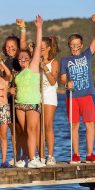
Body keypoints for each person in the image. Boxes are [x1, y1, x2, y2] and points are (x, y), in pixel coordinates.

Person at [60, 14, 95, 164]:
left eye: (77, 44)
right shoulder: (65, 61)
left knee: (90, 124)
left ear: (81, 45)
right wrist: (66, 85)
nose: (75, 47)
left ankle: (90, 154)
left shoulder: (87, 55)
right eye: (72, 45)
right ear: (69, 46)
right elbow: (63, 79)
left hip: (86, 96)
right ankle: (76, 154)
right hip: (72, 97)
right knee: (74, 125)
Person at [10, 15, 46, 168]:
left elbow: (37, 47)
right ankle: (27, 157)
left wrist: (39, 28)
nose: (22, 60)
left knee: (32, 130)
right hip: (20, 105)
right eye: (20, 59)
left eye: (25, 58)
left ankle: (33, 159)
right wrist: (11, 90)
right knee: (24, 132)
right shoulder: (17, 74)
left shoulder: (33, 67)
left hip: (32, 104)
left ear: (30, 59)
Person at [1, 19, 28, 165]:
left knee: (23, 128)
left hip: (22, 98)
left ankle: (26, 155)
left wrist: (22, 29)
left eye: (13, 46)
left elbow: (23, 45)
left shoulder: (20, 60)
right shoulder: (5, 62)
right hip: (9, 99)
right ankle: (17, 155)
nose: (10, 48)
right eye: (8, 47)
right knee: (13, 129)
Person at [39, 36, 60, 165]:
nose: (40, 50)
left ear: (48, 48)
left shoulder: (54, 62)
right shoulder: (35, 61)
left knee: (47, 125)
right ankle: (40, 155)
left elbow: (53, 81)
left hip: (49, 95)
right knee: (37, 128)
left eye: (42, 48)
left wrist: (45, 67)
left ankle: (50, 155)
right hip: (37, 96)